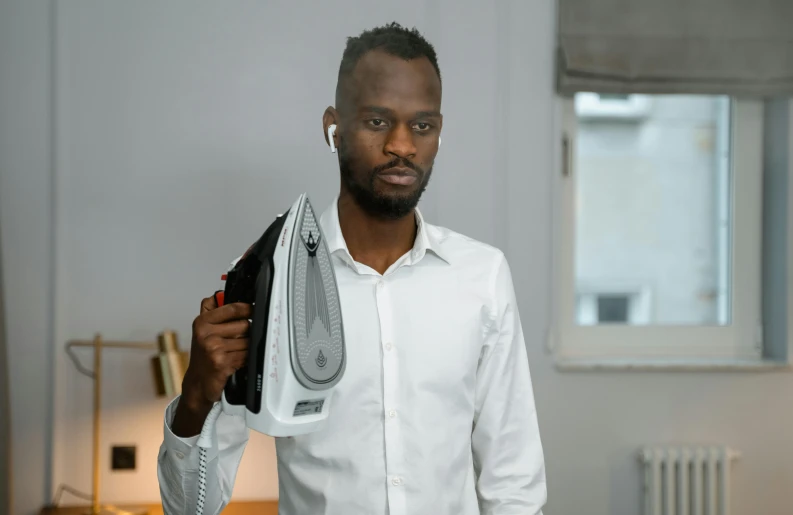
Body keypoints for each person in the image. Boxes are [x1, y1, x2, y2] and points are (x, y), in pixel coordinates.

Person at [157, 22, 547, 515]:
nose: (402, 145)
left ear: (438, 135)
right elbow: (191, 508)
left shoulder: (482, 275)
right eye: (379, 121)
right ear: (333, 128)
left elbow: (513, 480)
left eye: (421, 126)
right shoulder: (267, 280)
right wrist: (195, 397)